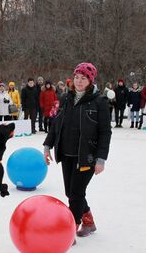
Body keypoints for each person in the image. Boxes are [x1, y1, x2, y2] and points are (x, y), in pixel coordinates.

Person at [43, 63, 112, 238]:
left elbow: (105, 132)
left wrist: (100, 159)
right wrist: (47, 146)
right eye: (77, 77)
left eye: (84, 78)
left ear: (90, 80)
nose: (79, 81)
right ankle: (89, 222)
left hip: (86, 157)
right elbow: (57, 124)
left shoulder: (99, 102)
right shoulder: (66, 98)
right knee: (71, 193)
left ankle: (70, 229)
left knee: (76, 194)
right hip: (66, 154)